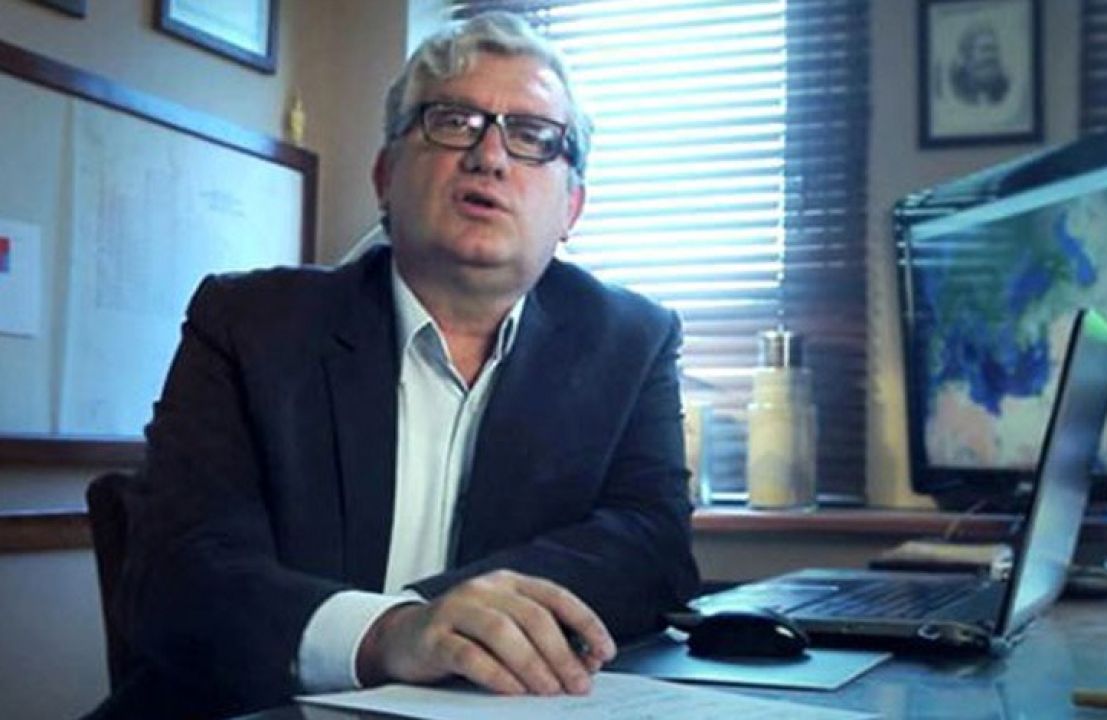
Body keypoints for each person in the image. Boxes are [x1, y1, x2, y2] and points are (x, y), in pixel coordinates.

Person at [91, 11, 699, 719]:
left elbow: (652, 550)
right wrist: (386, 635)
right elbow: (176, 574)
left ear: (573, 208)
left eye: (533, 136)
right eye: (453, 121)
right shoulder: (248, 324)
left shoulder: (630, 341)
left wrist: (441, 622)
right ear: (385, 177)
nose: (489, 157)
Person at [948, 21, 1010, 106]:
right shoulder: (955, 90)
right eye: (985, 49)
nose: (991, 56)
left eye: (994, 49)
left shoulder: (1005, 87)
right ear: (967, 55)